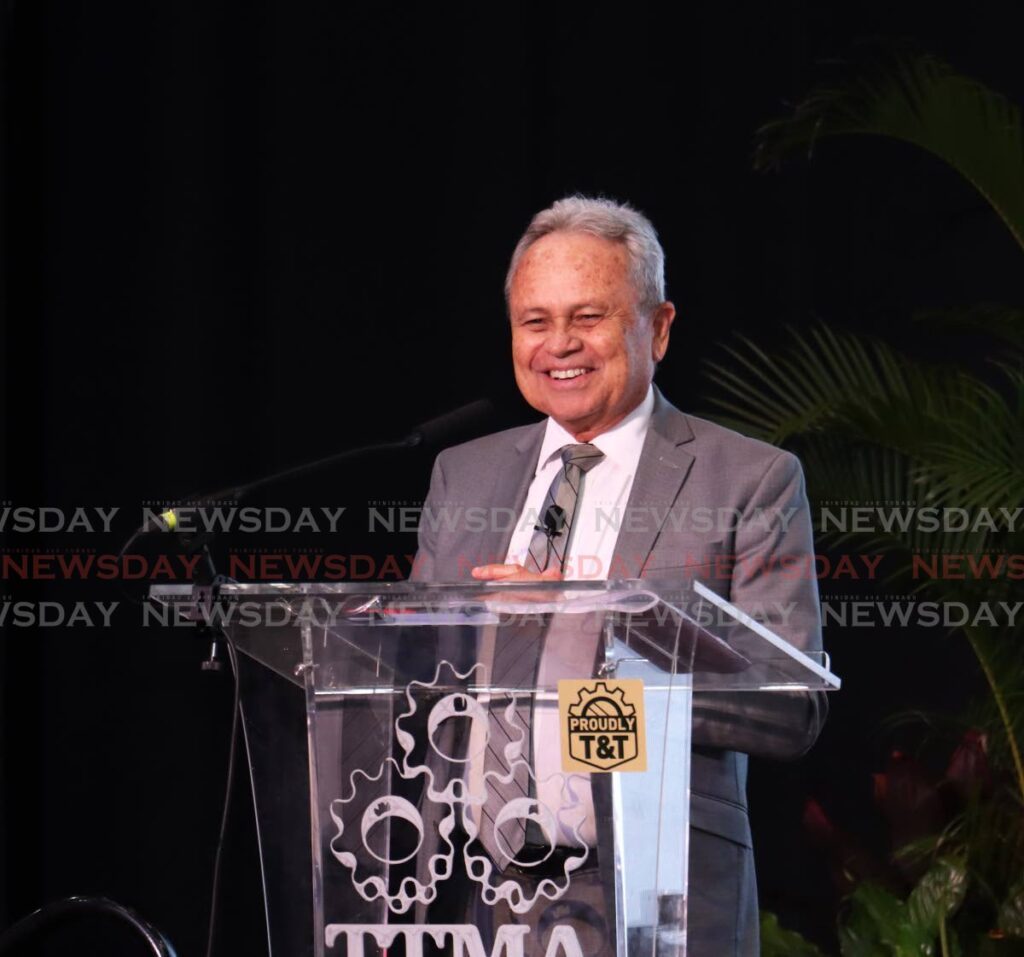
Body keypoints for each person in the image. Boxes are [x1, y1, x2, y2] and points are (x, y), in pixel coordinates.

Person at [412, 195, 827, 955]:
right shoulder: (461, 476)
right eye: (535, 321)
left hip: (654, 892)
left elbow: (787, 704)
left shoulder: (747, 479)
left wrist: (582, 628)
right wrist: (404, 901)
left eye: (588, 317)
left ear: (659, 327)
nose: (558, 344)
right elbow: (416, 680)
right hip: (471, 899)